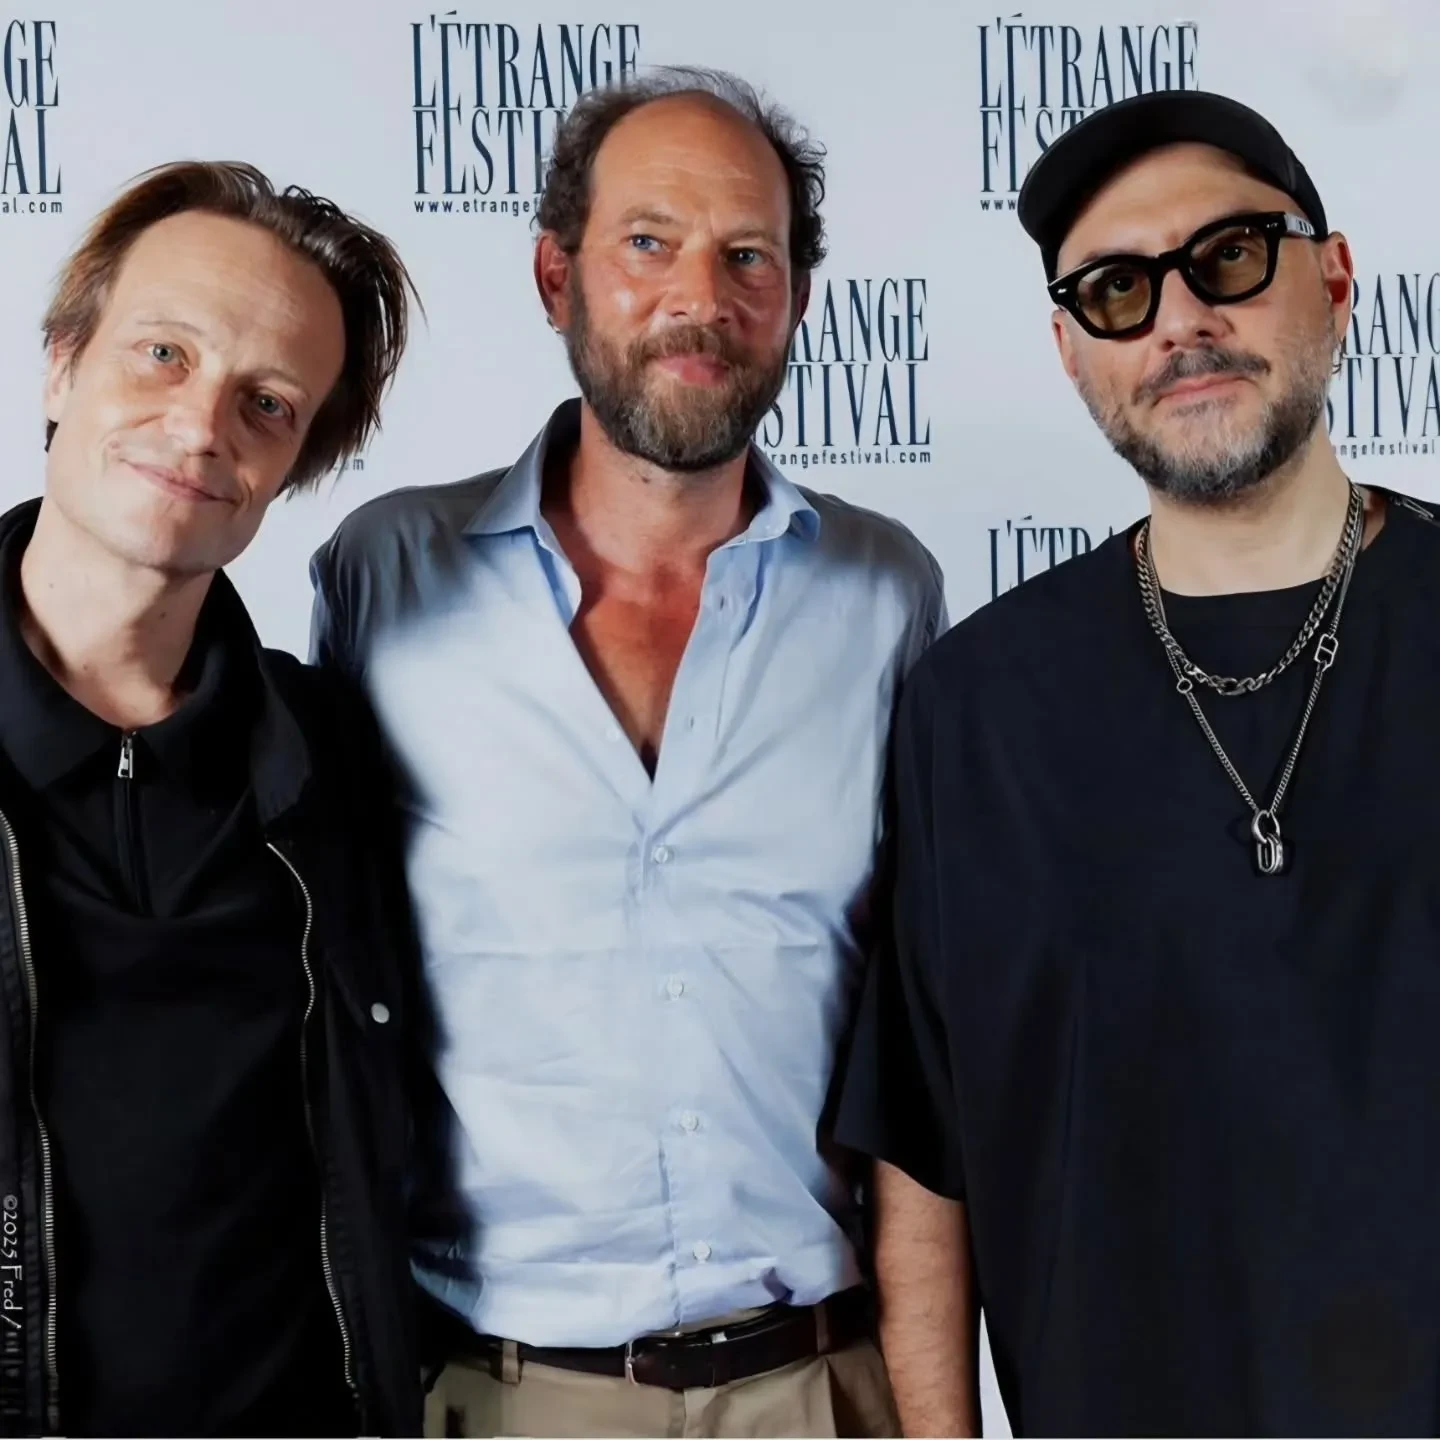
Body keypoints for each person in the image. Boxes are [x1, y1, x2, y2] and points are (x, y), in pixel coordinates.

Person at [310, 67, 945, 1440]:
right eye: (648, 242)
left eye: (748, 256)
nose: (699, 298)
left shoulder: (885, 592)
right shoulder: (388, 576)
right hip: (496, 1391)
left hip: (819, 1387)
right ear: (557, 275)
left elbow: (925, 1034)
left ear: (797, 297)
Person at [835, 87, 1440, 1437]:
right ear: (1071, 352)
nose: (1180, 319)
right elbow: (925, 1160)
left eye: (1230, 255)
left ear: (1336, 279)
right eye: (1117, 290)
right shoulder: (977, 708)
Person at [0, 161, 424, 1436]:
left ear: (293, 464)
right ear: (62, 366)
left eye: (267, 403)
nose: (200, 427)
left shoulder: (337, 757)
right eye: (163, 354)